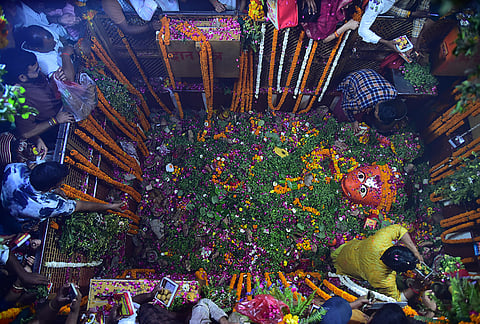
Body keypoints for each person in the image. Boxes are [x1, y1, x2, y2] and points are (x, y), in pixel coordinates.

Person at [1, 161, 124, 230]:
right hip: (12, 221)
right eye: (61, 182)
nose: (63, 183)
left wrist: (54, 190)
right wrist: (109, 206)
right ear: (51, 187)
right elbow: (79, 206)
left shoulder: (14, 169)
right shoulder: (48, 205)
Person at [0, 48, 75, 147]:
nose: (39, 70)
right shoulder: (20, 99)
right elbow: (26, 133)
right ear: (22, 77)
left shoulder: (34, 76)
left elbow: (46, 94)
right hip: (59, 129)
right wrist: (55, 120)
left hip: (68, 110)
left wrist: (55, 81)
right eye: (36, 70)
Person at [331, 224, 423, 301]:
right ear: (396, 271)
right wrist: (415, 288)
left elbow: (399, 229)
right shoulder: (383, 279)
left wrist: (415, 252)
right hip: (344, 269)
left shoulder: (380, 240)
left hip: (344, 252)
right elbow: (396, 300)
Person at [333, 69, 407, 133]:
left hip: (369, 73)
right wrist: (353, 121)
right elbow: (345, 106)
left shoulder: (393, 93)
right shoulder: (361, 103)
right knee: (345, 114)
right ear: (376, 112)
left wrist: (371, 105)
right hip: (353, 78)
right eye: (377, 117)